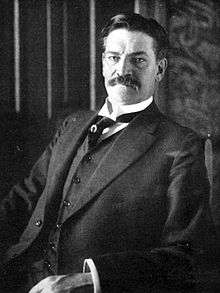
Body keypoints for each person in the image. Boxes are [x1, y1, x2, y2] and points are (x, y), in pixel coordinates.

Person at [0, 13, 216, 293]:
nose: (122, 70)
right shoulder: (72, 125)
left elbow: (191, 256)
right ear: (103, 63)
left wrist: (89, 280)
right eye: (114, 57)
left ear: (159, 69)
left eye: (138, 60)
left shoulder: (181, 144)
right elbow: (23, 199)